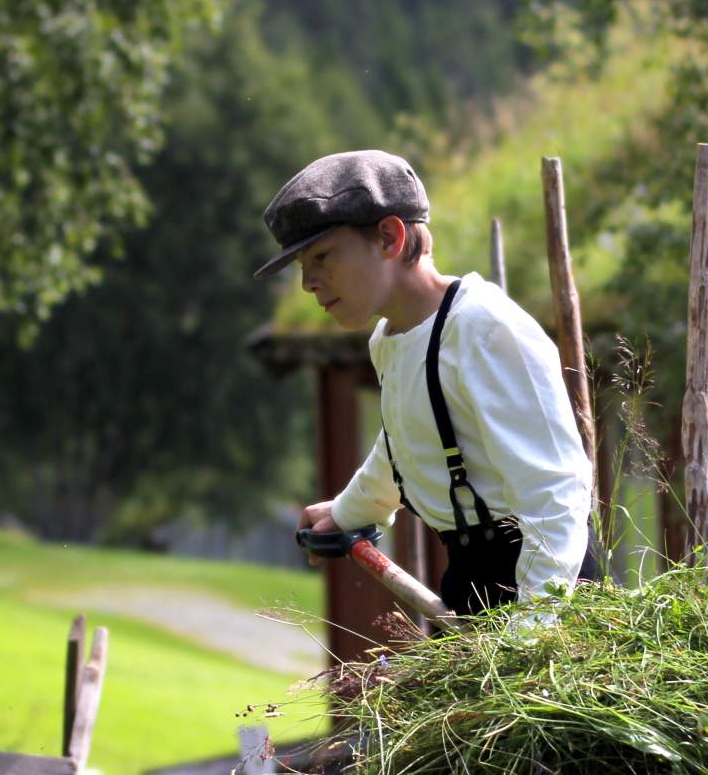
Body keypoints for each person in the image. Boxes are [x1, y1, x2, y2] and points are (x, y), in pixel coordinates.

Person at [255, 149, 601, 615]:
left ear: (388, 237)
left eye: (321, 257)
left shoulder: (484, 330)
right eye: (303, 267)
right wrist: (348, 511)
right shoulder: (389, 339)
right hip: (472, 585)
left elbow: (556, 497)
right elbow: (408, 440)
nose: (309, 284)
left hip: (548, 595)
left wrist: (533, 634)